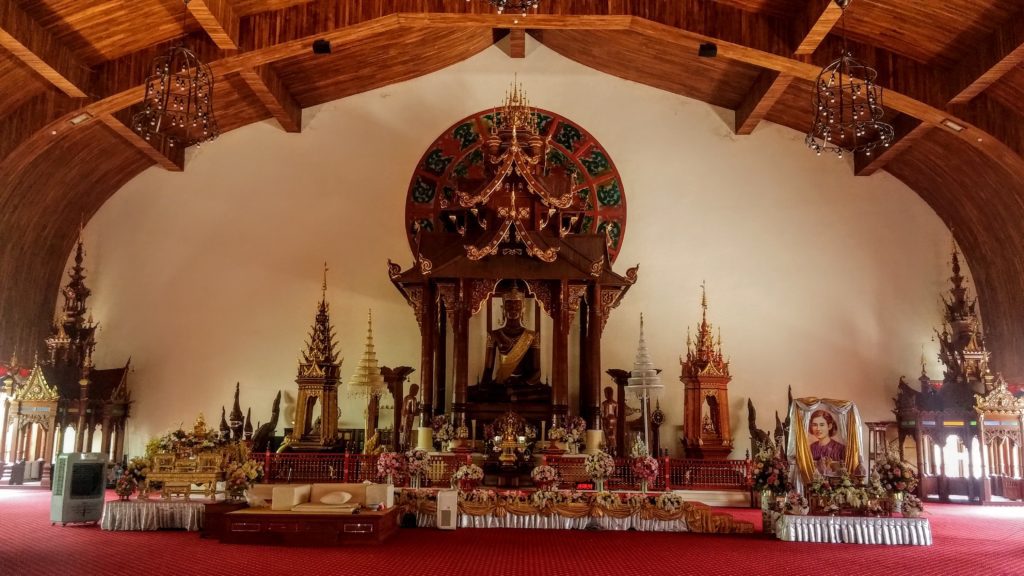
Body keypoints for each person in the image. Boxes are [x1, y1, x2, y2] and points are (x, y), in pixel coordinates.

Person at [482, 287, 541, 387]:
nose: (513, 309)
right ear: (503, 309)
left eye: (517, 306)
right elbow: (488, 369)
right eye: (509, 305)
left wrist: (523, 383)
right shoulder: (494, 335)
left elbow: (537, 371)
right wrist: (485, 386)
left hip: (523, 384)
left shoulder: (532, 335)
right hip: (502, 382)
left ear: (523, 309)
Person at [401, 384, 420, 450]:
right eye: (416, 390)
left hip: (407, 418)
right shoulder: (411, 398)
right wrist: (418, 408)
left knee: (407, 433)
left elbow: (404, 410)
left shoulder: (408, 398)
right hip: (408, 418)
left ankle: (405, 447)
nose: (416, 392)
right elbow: (412, 410)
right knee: (407, 433)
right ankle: (405, 448)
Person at [601, 386, 618, 453]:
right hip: (610, 421)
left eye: (606, 393)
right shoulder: (605, 403)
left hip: (609, 421)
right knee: (609, 435)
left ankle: (612, 449)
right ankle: (610, 449)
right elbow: (616, 415)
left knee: (611, 436)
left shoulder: (613, 403)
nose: (606, 395)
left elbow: (616, 414)